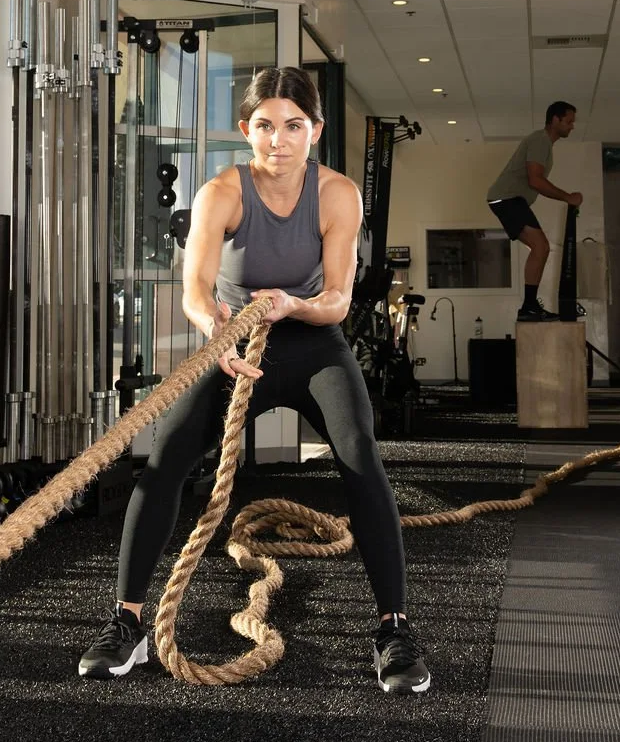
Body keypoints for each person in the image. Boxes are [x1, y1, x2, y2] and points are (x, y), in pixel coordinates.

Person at [79, 66, 431, 695]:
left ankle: (394, 630)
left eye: (293, 126)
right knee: (166, 461)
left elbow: (337, 300)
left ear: (315, 131)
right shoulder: (222, 193)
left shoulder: (337, 195)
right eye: (265, 125)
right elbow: (193, 289)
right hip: (233, 344)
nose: (279, 140)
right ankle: (127, 621)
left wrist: (295, 307)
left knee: (360, 458)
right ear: (246, 130)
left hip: (312, 341)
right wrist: (216, 330)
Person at [486, 101, 582, 321]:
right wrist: (568, 197)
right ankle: (529, 306)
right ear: (555, 119)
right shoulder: (540, 140)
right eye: (569, 121)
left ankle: (529, 306)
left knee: (540, 248)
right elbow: (536, 180)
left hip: (508, 200)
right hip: (508, 199)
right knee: (541, 246)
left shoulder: (544, 144)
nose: (572, 126)